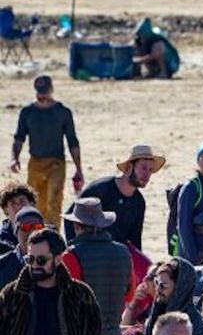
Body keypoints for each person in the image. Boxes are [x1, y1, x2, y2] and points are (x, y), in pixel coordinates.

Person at [60, 198, 133, 335]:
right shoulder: (123, 253)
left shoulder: (71, 256)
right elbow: (130, 294)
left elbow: (67, 301)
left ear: (77, 226)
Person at [10, 74, 82, 228]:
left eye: (45, 91)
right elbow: (19, 138)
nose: (42, 95)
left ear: (51, 90)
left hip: (56, 163)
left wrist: (78, 169)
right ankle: (35, 236)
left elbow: (72, 141)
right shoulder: (27, 112)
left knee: (54, 202)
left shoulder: (63, 112)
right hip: (35, 163)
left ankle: (53, 235)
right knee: (35, 203)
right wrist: (14, 158)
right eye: (40, 92)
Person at [68, 144, 164, 250]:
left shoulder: (139, 203)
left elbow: (135, 242)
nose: (147, 174)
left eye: (150, 170)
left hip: (116, 260)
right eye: (143, 168)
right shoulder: (101, 189)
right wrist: (76, 251)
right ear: (129, 167)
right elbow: (70, 217)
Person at [172, 141, 203, 264]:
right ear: (198, 162)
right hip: (194, 256)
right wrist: (192, 260)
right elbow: (184, 227)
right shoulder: (191, 188)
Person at [0, 205, 44, 291]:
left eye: (37, 227)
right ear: (16, 232)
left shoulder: (55, 264)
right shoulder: (2, 265)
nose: (32, 232)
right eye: (25, 227)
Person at [0, 182, 35, 253]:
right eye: (12, 203)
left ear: (31, 204)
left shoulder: (44, 231)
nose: (18, 206)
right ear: (6, 209)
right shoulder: (2, 239)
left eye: (22, 201)